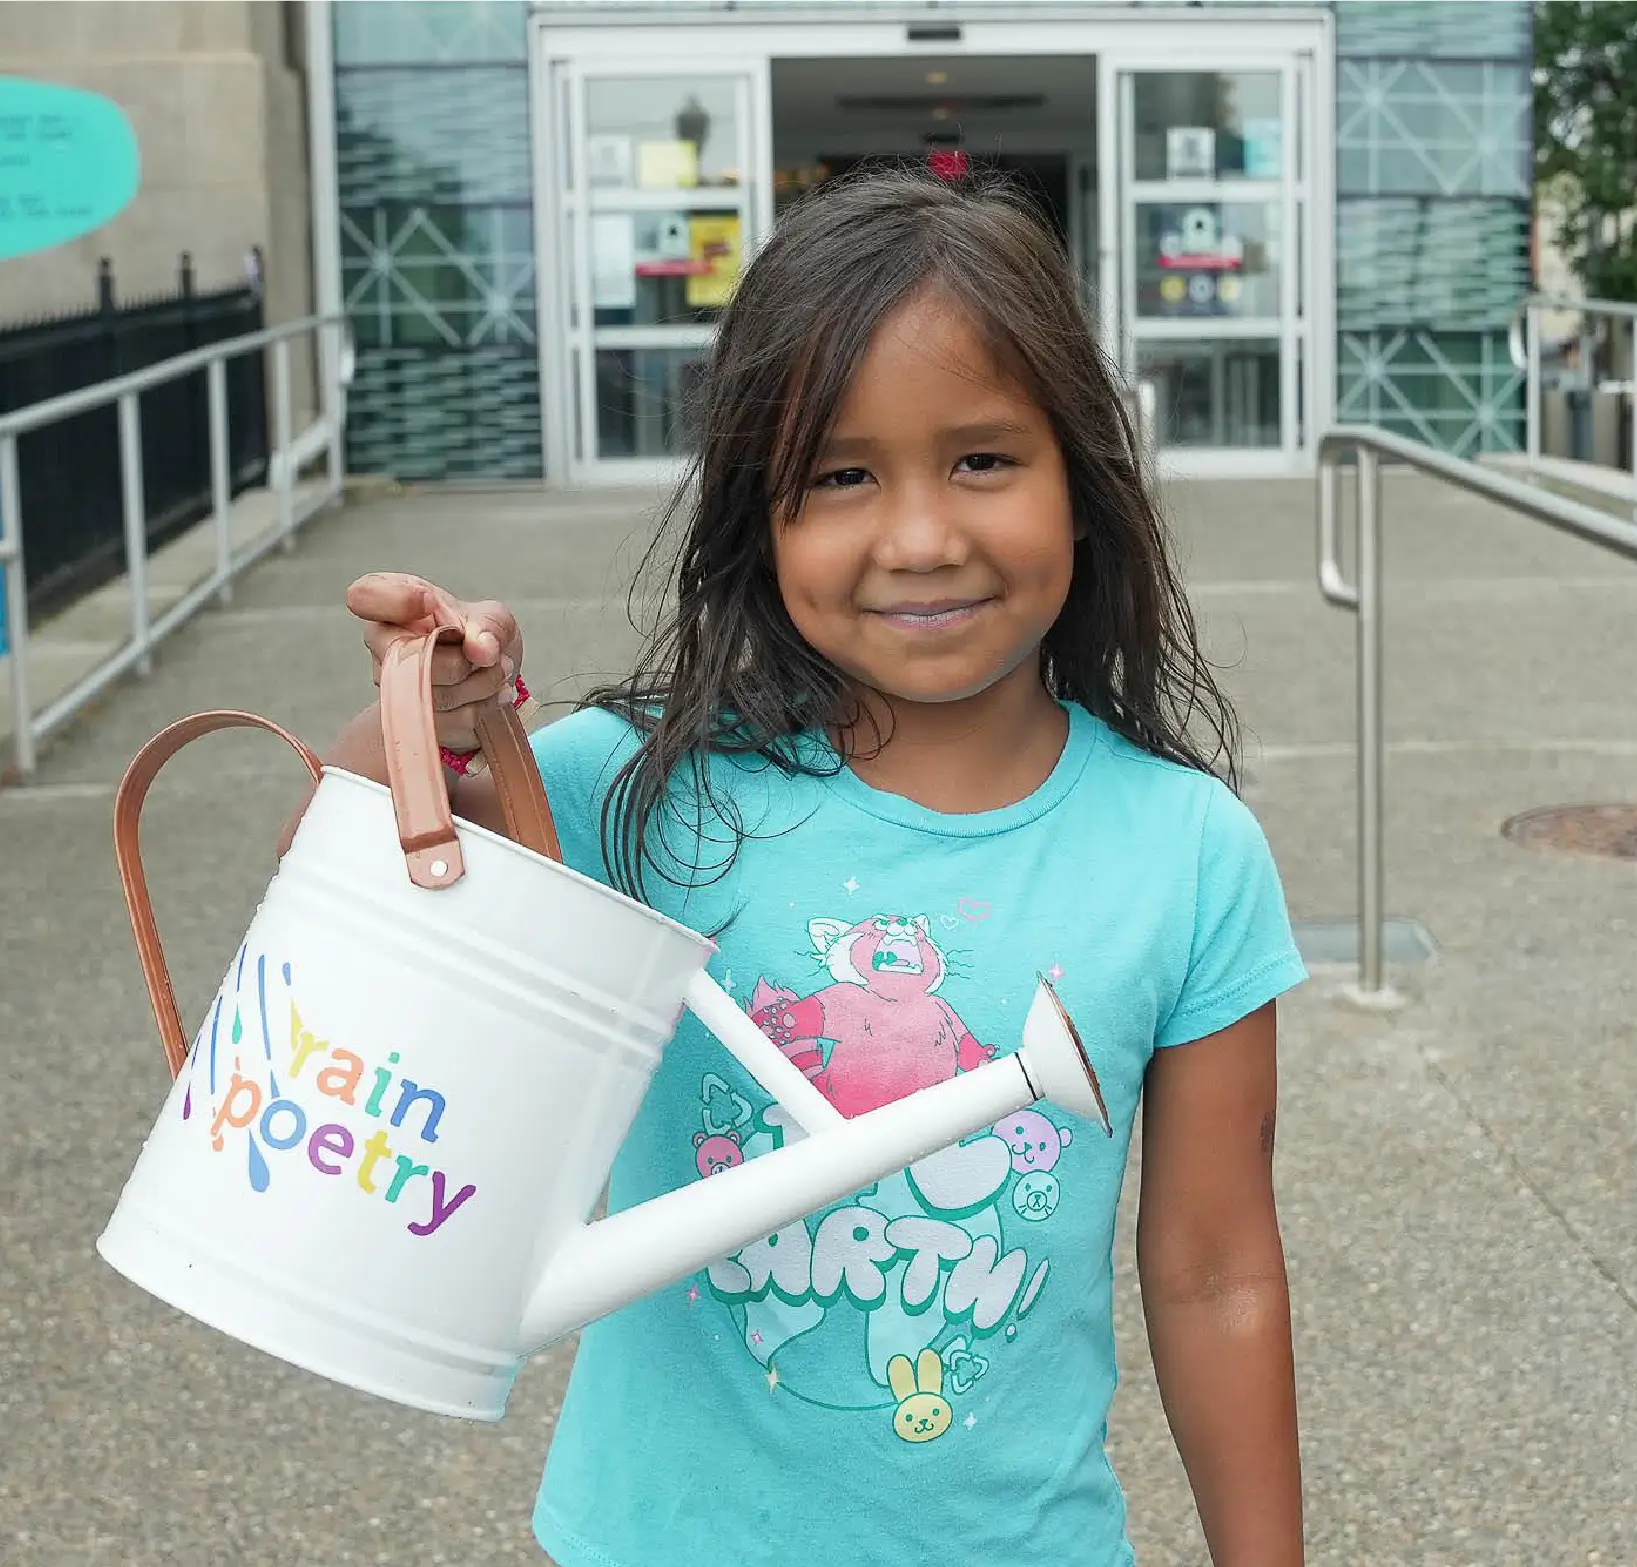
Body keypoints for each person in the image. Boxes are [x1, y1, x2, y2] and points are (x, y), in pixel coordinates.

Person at [296, 167, 1309, 1567]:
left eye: (982, 458)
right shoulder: (623, 788)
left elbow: (1212, 1274)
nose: (918, 536)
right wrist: (425, 717)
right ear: (757, 524)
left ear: (1083, 481)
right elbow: (346, 886)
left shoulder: (1187, 852)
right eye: (839, 475)